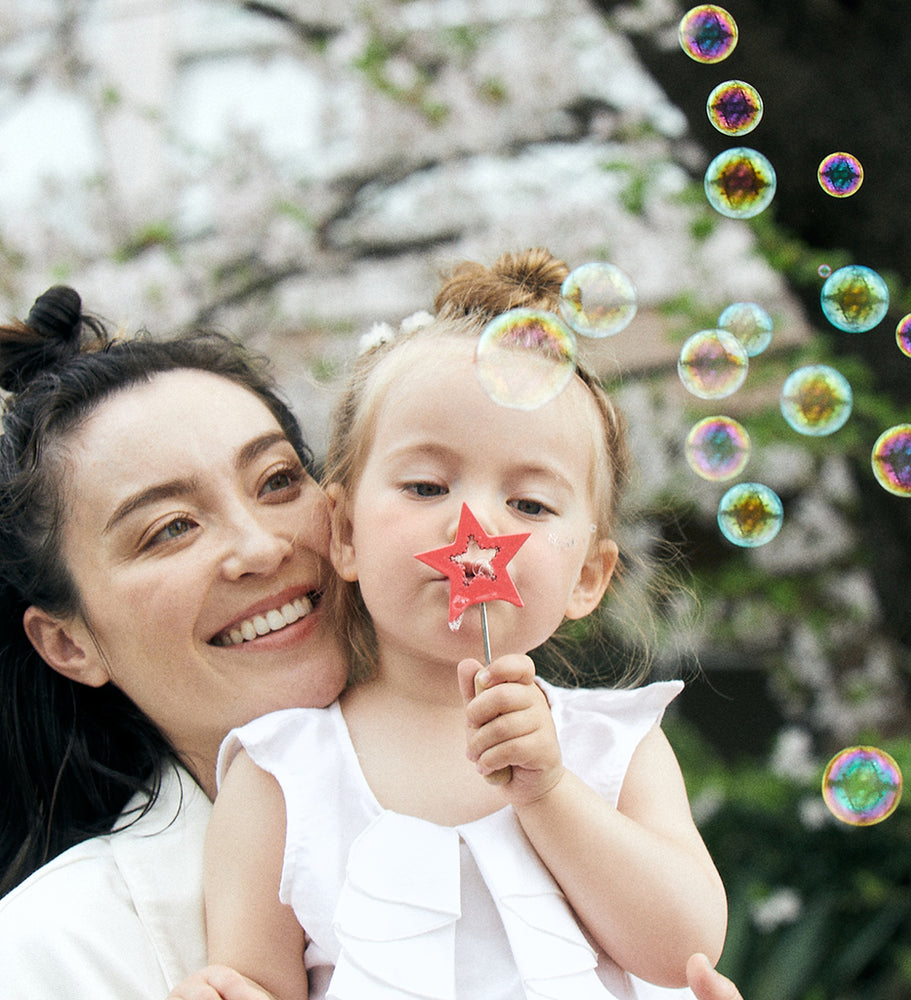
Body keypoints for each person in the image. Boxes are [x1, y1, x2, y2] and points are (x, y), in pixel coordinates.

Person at [0, 283, 746, 1000]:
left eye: (275, 480)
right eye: (169, 528)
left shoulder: (609, 746)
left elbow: (686, 946)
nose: (472, 529)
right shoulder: (269, 790)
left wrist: (551, 793)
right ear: (349, 526)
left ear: (589, 576)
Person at [0, 286, 351, 998]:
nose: (259, 547)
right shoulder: (49, 955)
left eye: (279, 480)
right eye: (170, 528)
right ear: (69, 644)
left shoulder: (574, 782)